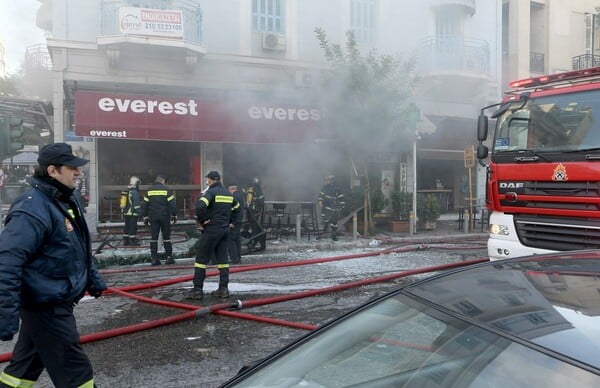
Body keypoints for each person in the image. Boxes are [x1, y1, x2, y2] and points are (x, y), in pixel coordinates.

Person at [0, 142, 107, 388]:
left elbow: (78, 247)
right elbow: (7, 262)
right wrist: (6, 315)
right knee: (77, 374)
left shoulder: (66, 200)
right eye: (71, 168)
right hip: (46, 305)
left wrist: (93, 279)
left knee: (22, 370)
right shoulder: (31, 207)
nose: (79, 172)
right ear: (52, 171)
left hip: (53, 301)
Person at [186, 171, 240, 300]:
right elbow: (237, 208)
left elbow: (200, 206)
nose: (207, 182)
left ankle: (197, 290)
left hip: (212, 230)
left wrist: (203, 220)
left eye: (208, 180)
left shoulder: (210, 192)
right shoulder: (228, 194)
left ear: (210, 180)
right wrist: (231, 221)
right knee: (223, 260)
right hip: (224, 230)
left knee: (201, 260)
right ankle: (223, 289)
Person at [142, 175, 177, 266]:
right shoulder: (166, 190)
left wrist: (145, 216)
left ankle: (154, 259)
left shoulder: (149, 191)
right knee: (166, 238)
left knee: (154, 238)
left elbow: (145, 204)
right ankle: (169, 257)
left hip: (153, 217)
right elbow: (172, 204)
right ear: (162, 181)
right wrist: (174, 215)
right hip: (164, 216)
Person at [318, 174, 345, 241]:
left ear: (332, 180)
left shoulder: (337, 188)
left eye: (328, 180)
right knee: (325, 220)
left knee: (334, 222)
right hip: (326, 207)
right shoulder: (325, 188)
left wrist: (342, 205)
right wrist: (320, 201)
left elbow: (341, 197)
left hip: (334, 207)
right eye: (326, 180)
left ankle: (334, 235)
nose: (327, 181)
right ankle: (324, 232)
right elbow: (320, 196)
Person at [121, 176, 142, 246]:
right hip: (133, 213)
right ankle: (132, 241)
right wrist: (140, 213)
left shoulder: (127, 190)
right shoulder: (134, 192)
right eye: (138, 184)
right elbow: (136, 204)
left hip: (127, 212)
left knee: (127, 226)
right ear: (136, 184)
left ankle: (125, 241)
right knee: (133, 227)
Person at [227, 183, 245, 264]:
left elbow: (235, 211)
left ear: (231, 189)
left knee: (231, 240)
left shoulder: (234, 197)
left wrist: (233, 222)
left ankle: (235, 260)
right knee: (237, 240)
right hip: (239, 221)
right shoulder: (240, 196)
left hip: (234, 222)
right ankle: (238, 258)